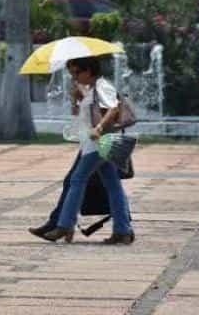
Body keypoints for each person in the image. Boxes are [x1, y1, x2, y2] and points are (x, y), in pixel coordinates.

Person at [33, 57, 134, 245]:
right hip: (98, 143)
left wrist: (100, 128)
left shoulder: (102, 86)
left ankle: (65, 224)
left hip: (101, 143)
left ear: (89, 70)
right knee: (112, 185)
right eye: (72, 73)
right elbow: (81, 115)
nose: (74, 77)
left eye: (77, 72)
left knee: (77, 179)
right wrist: (76, 99)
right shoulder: (92, 89)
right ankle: (123, 230)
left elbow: (113, 109)